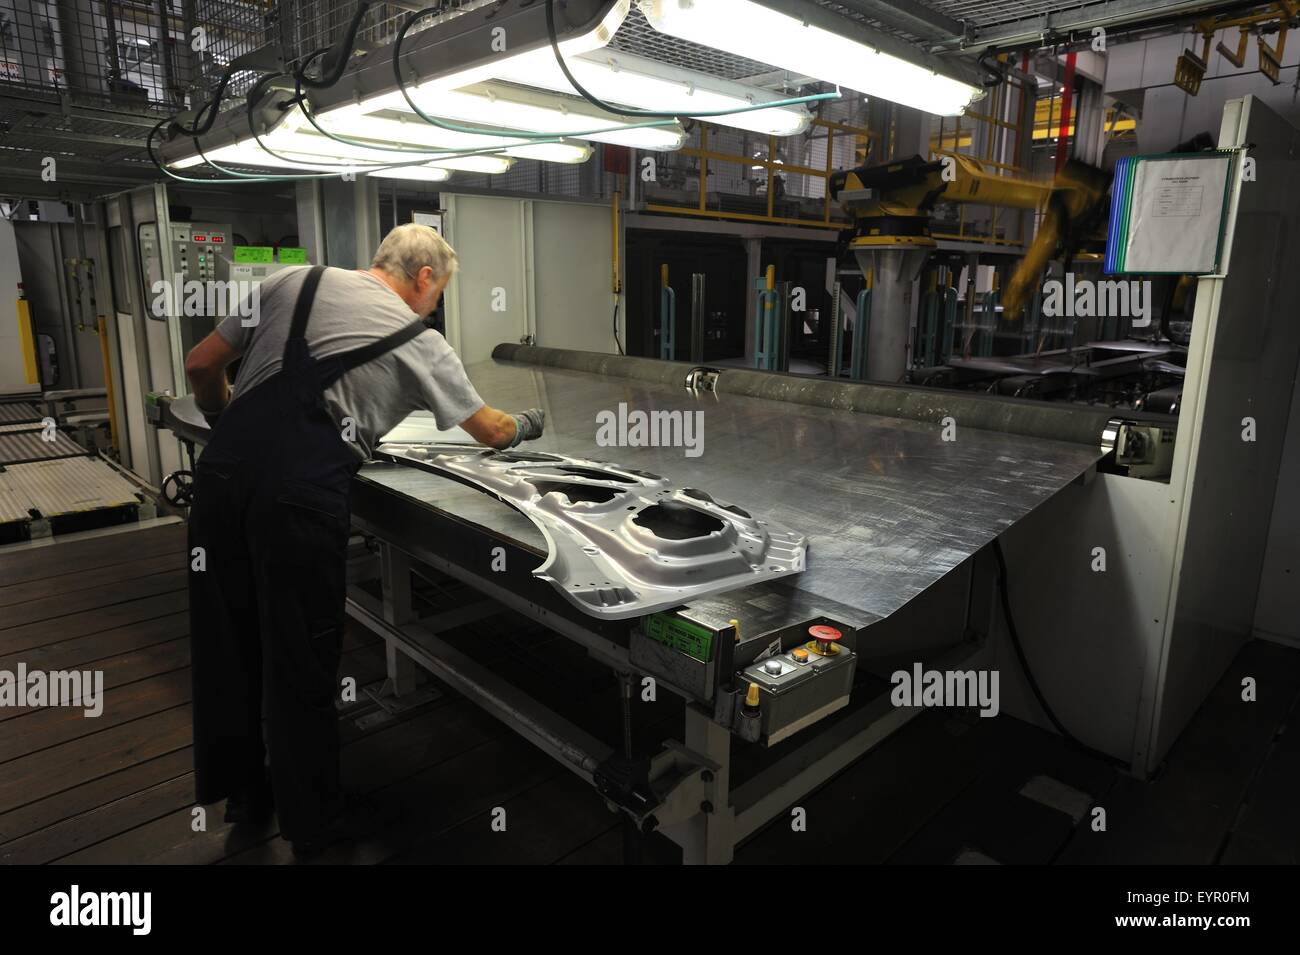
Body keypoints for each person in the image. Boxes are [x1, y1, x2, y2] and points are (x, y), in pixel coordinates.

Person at [182, 223, 544, 857]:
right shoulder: (420, 340)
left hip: (219, 480)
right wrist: (530, 424)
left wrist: (227, 427)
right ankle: (313, 825)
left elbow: (201, 363)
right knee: (300, 657)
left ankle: (245, 795)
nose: (436, 306)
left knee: (226, 642)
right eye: (441, 292)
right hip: (298, 498)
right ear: (425, 278)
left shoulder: (285, 281)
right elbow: (489, 430)